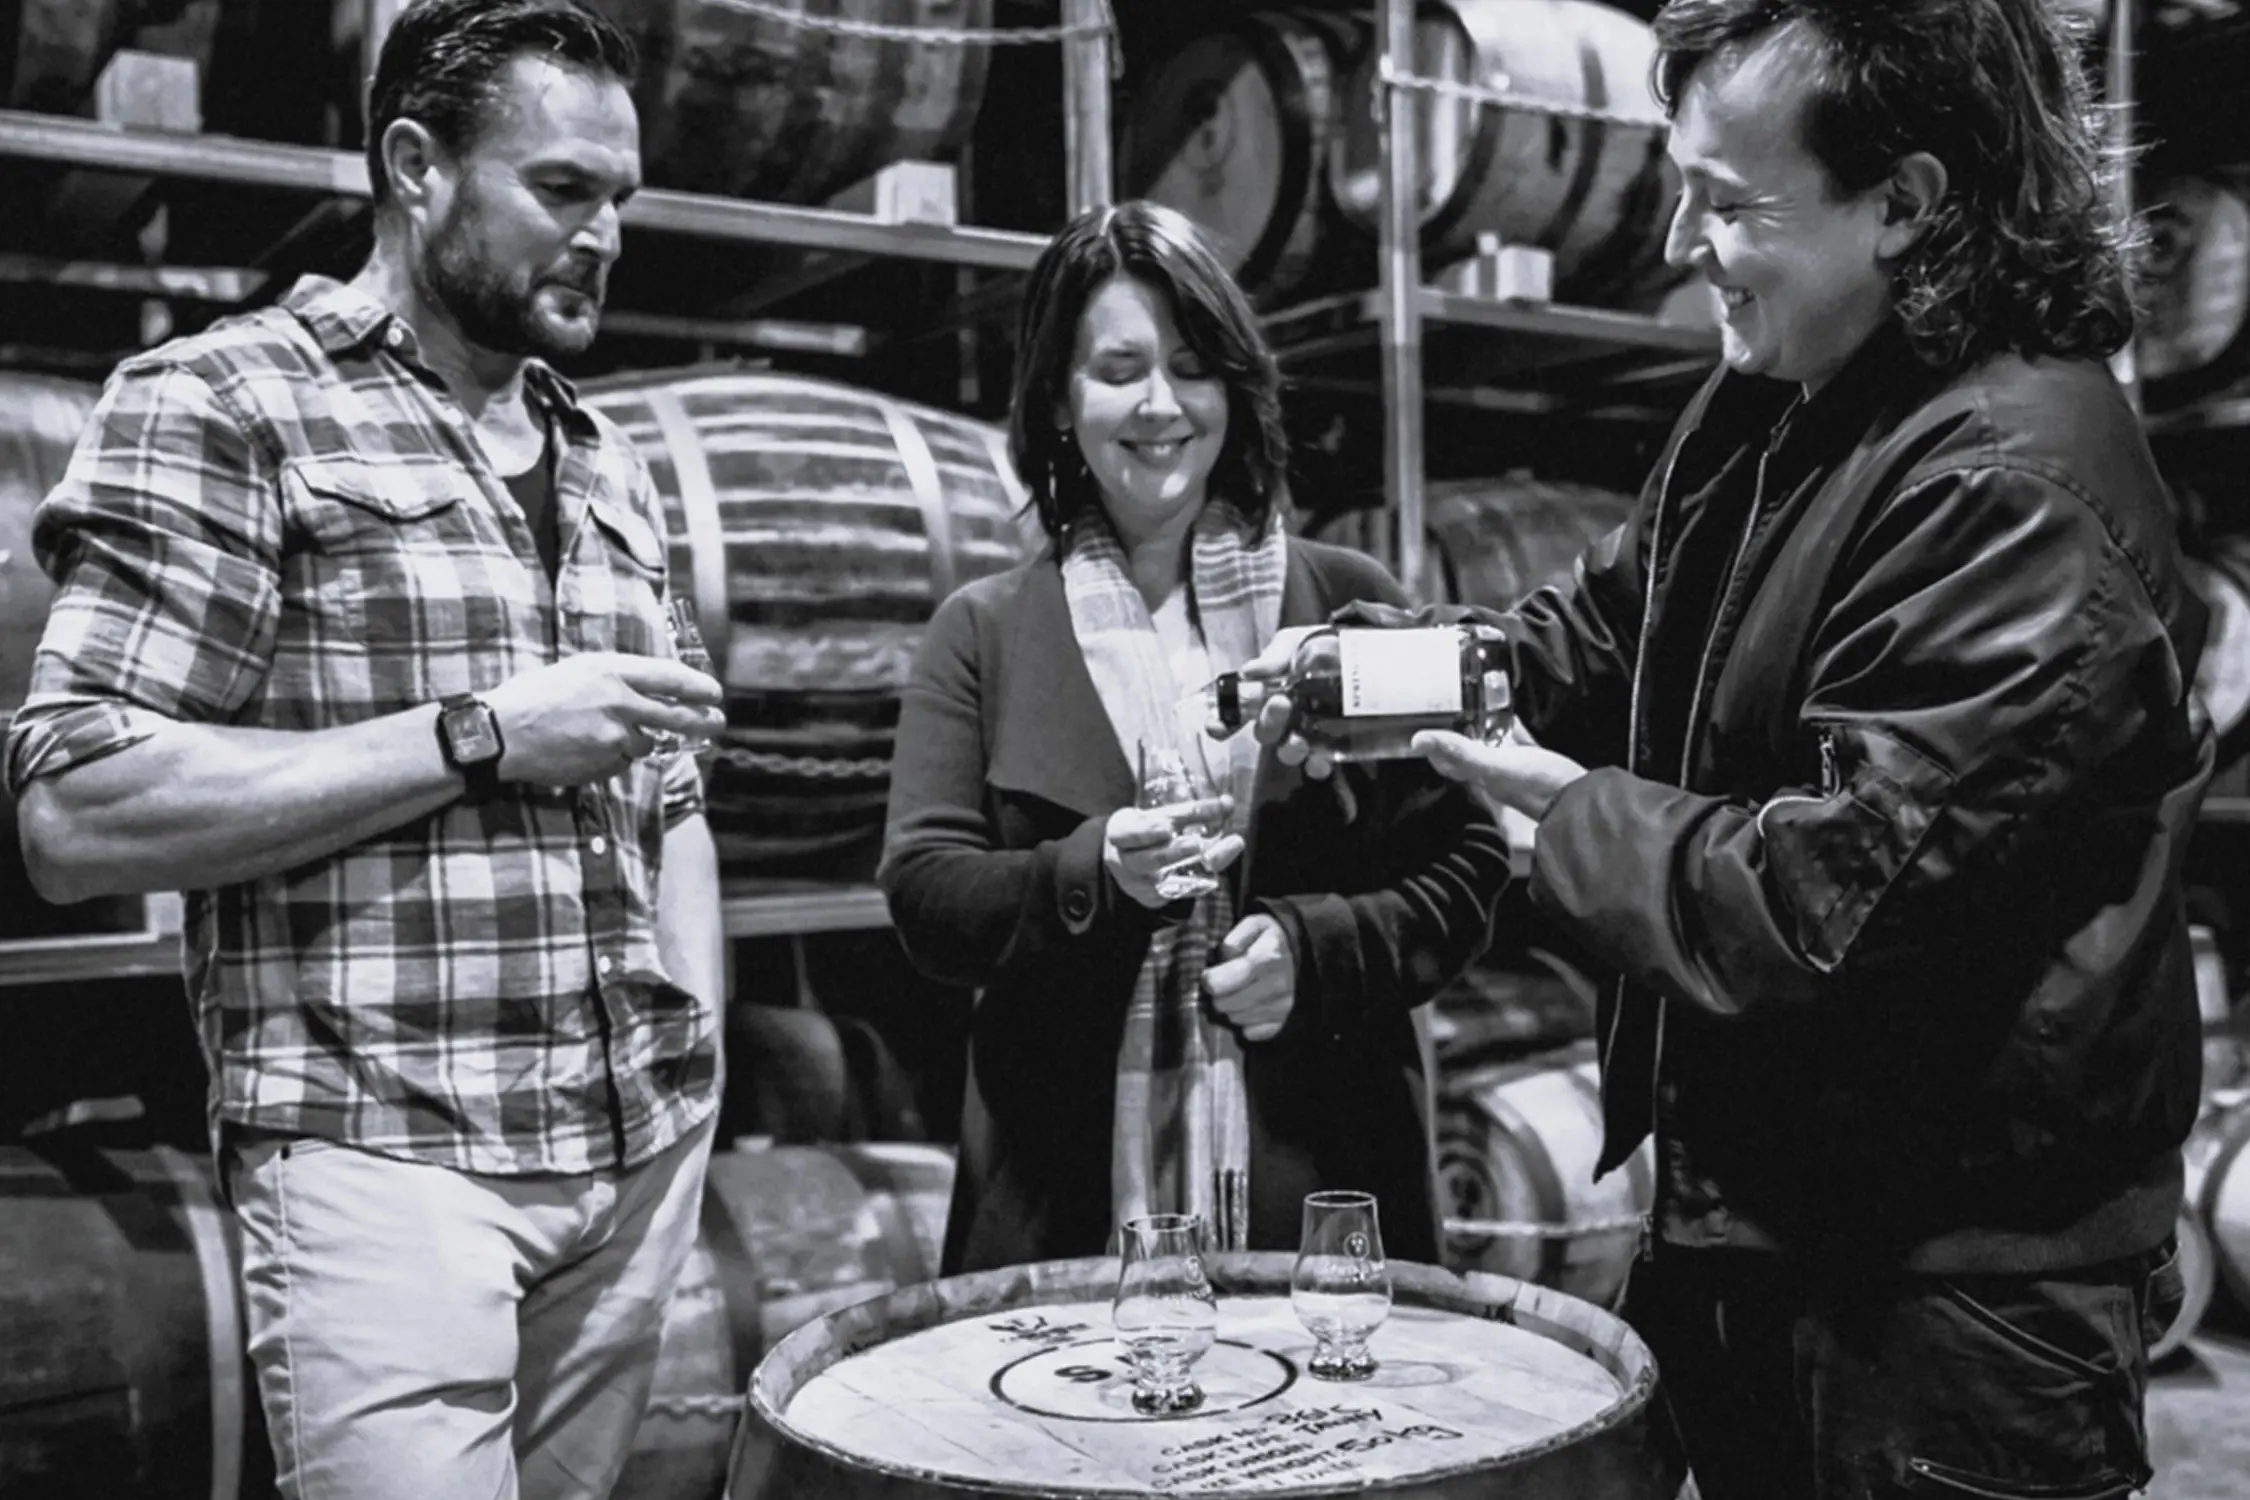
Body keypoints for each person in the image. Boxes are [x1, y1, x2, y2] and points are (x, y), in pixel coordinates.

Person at [1251, 1, 2211, 1496]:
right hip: (1768, 1218)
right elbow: (1612, 621)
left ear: (1903, 203)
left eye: (1726, 203)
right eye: (1677, 187)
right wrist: (1374, 680)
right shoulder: (1785, 393)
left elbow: (1829, 899)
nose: (1679, 242)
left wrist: (1559, 819)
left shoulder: (2020, 490)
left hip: (1945, 1299)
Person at [4, 4, 730, 1498]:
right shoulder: (227, 402)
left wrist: (694, 1086)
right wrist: (479, 738)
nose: (603, 237)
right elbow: (76, 811)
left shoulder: (606, 456)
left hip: (631, 1154)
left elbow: (672, 793)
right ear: (415, 165)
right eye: (562, 191)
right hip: (385, 1166)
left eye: (623, 199)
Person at [879, 200, 1511, 1275]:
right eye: (1120, 369)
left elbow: (1470, 863)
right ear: (1059, 400)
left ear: (1237, 387)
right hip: (1062, 1213)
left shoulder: (1345, 603)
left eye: (1193, 365)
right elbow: (927, 894)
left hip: (1328, 1206)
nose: (1161, 404)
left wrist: (1317, 953)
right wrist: (1094, 876)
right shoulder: (985, 631)